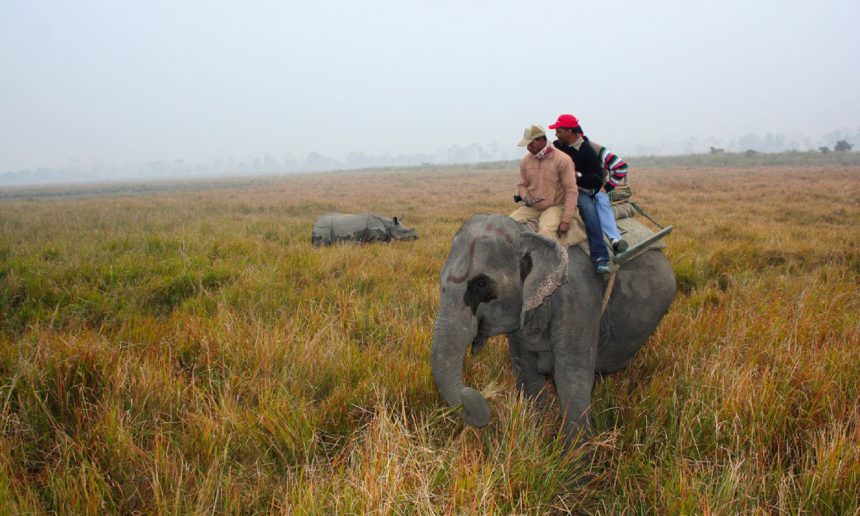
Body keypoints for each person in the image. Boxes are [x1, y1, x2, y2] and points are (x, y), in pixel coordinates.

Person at [548, 114, 611, 273]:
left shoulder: (587, 152)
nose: (556, 134)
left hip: (578, 191)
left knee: (589, 213)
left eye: (559, 131)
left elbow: (596, 180)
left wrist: (578, 176)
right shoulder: (557, 146)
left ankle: (601, 257)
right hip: (556, 189)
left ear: (570, 131)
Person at [509, 124, 578, 242]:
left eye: (531, 144)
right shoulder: (526, 161)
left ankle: (554, 260)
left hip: (554, 207)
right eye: (527, 145)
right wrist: (526, 197)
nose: (528, 148)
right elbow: (522, 185)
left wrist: (566, 220)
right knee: (507, 225)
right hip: (532, 207)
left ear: (541, 140)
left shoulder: (563, 160)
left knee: (546, 234)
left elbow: (571, 190)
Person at [593, 142, 630, 253]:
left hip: (596, 190)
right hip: (571, 191)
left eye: (560, 131)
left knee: (601, 202)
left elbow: (621, 167)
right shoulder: (560, 148)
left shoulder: (597, 150)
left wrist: (608, 187)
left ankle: (614, 240)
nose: (556, 135)